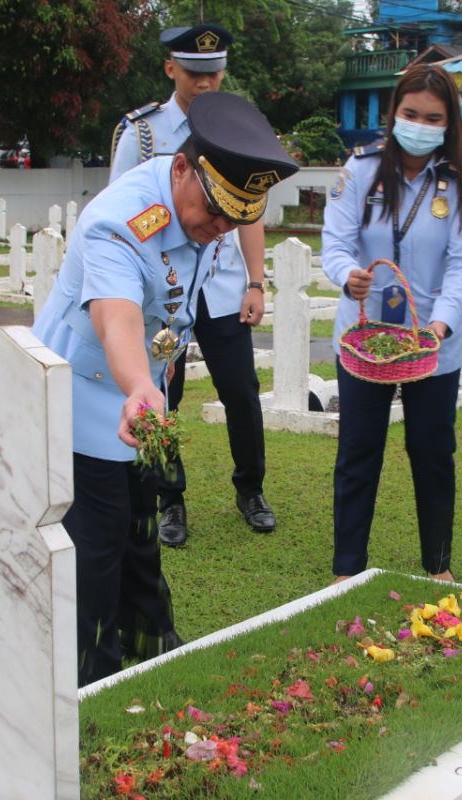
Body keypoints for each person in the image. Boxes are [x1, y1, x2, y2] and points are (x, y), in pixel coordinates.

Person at [33, 92, 297, 684]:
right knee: (95, 551)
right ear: (182, 168)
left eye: (235, 220)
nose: (219, 231)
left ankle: (152, 652)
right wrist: (137, 382)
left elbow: (172, 301)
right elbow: (117, 314)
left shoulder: (203, 208)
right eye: (215, 215)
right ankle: (91, 683)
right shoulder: (119, 221)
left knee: (141, 533)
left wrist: (159, 373)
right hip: (81, 394)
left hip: (140, 398)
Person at [111, 24, 274, 548]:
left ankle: (250, 490)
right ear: (170, 70)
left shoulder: (238, 128)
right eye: (194, 73)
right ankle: (170, 499)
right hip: (163, 293)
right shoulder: (143, 134)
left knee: (242, 394)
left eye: (214, 73)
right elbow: (120, 216)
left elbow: (248, 211)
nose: (205, 84)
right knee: (164, 395)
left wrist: (256, 281)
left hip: (223, 287)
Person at [322, 64, 462, 584]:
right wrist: (349, 276)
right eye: (409, 113)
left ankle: (439, 566)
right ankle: (347, 570)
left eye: (432, 117)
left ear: (448, 122)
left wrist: (439, 325)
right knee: (358, 453)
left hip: (430, 343)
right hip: (366, 340)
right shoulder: (361, 170)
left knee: (433, 452)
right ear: (393, 112)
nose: (418, 124)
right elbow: (337, 242)